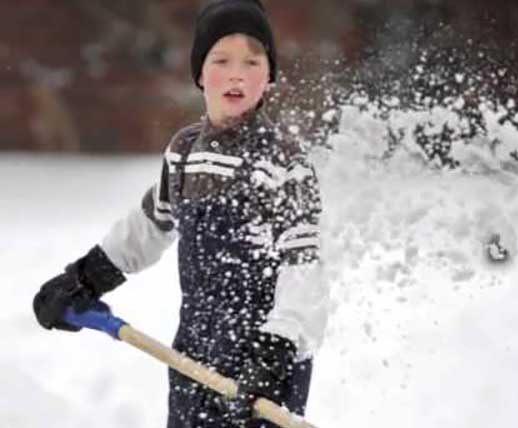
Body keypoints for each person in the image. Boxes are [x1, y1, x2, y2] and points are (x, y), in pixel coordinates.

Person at [32, 1, 328, 427]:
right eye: (221, 60)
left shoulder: (284, 163)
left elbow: (304, 267)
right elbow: (150, 225)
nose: (236, 74)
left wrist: (273, 351)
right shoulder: (186, 151)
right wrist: (84, 278)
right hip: (194, 352)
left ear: (269, 77)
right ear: (200, 74)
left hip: (265, 368)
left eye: (252, 61)